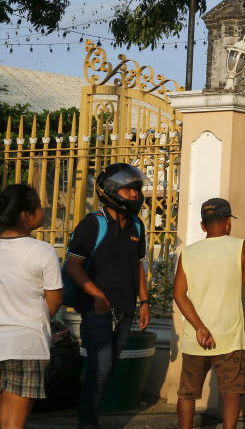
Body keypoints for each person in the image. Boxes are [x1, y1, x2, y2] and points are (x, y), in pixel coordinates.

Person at [64, 163, 151, 429]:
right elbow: (72, 265)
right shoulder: (93, 224)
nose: (135, 195)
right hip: (97, 311)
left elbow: (138, 266)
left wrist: (144, 302)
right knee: (99, 370)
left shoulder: (137, 226)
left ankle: (88, 416)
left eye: (137, 190)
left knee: (107, 370)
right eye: (128, 190)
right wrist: (97, 296)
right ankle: (86, 423)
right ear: (112, 191)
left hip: (125, 310)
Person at [173, 198, 245, 429]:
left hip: (195, 339)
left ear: (203, 225)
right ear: (227, 222)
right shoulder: (241, 247)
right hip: (229, 338)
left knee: (187, 393)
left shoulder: (188, 253)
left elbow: (179, 295)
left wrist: (200, 327)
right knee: (231, 392)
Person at [0, 185, 62, 429]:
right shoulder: (44, 251)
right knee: (14, 420)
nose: (42, 208)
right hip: (26, 344)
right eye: (37, 205)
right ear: (25, 215)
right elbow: (54, 301)